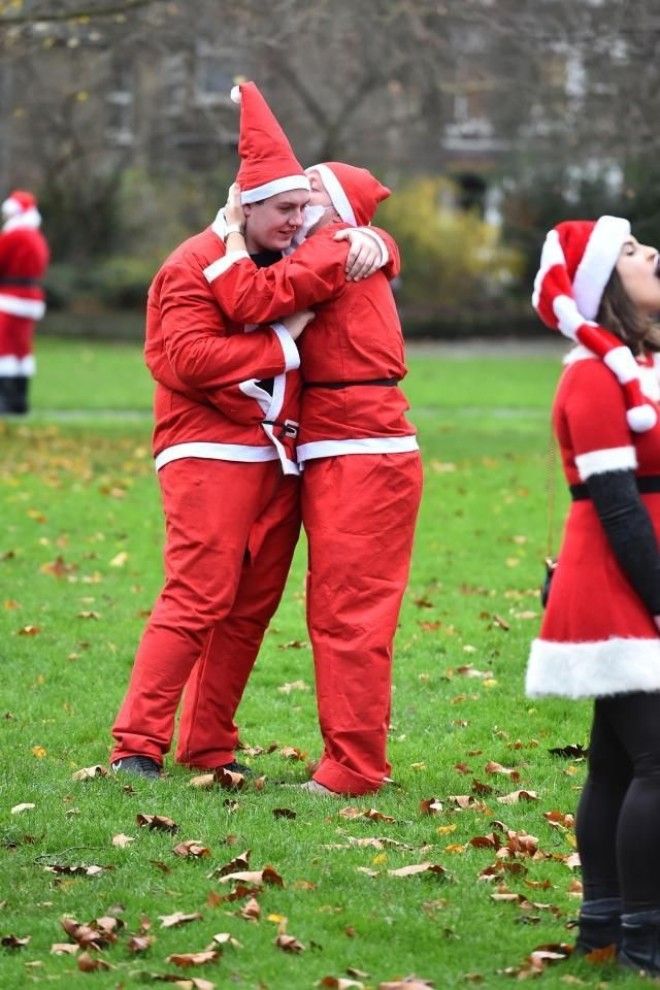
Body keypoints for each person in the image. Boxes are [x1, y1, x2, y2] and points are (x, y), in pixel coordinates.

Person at [110, 82, 386, 779]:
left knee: (248, 611)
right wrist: (286, 342)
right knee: (197, 595)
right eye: (287, 210)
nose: (299, 223)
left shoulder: (281, 262)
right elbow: (188, 361)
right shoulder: (191, 264)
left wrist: (376, 241)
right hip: (206, 455)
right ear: (243, 206)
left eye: (305, 209)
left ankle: (207, 746)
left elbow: (357, 234)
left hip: (279, 458)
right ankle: (136, 745)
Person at [202, 162, 422, 796]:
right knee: (314, 603)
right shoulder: (336, 246)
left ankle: (354, 768)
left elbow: (254, 298)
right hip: (330, 444)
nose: (295, 202)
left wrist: (234, 232)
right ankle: (216, 739)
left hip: (361, 446)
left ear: (339, 211)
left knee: (348, 609)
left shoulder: (334, 248)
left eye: (310, 193)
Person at [526, 215, 660, 973]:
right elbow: (615, 503)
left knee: (615, 763)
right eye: (638, 252)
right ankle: (645, 941)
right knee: (655, 762)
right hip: (617, 581)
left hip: (636, 576)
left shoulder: (639, 365)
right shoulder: (591, 375)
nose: (656, 255)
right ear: (607, 282)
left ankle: (604, 930)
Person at [0, 190, 49, 414]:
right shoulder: (37, 238)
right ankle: (20, 400)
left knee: (5, 348)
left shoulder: (12, 237)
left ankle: (7, 400)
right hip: (31, 298)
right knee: (22, 350)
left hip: (10, 297)